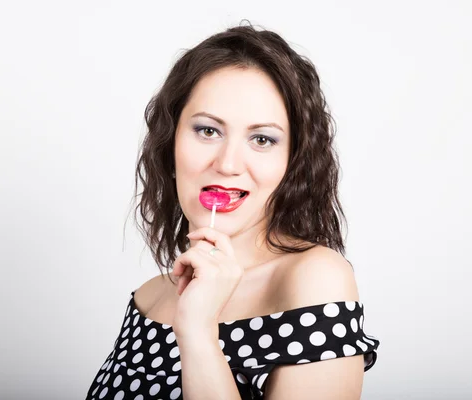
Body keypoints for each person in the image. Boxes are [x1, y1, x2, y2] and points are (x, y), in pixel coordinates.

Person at [86, 20, 380, 400]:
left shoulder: (314, 280)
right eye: (208, 131)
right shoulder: (149, 298)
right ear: (170, 142)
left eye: (262, 139)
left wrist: (197, 332)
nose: (227, 164)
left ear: (292, 162)